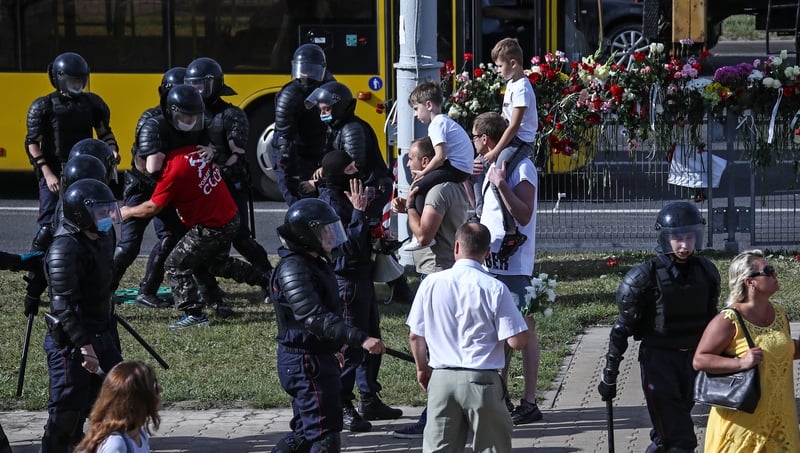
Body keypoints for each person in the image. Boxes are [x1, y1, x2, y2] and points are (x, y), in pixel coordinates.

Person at [121, 86, 269, 329]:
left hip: (211, 225)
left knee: (175, 265)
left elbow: (151, 208)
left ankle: (194, 315)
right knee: (218, 264)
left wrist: (126, 212)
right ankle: (269, 280)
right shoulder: (196, 152)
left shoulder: (173, 172)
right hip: (228, 217)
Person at [597, 201, 721, 452]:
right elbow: (621, 330)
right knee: (681, 439)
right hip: (659, 364)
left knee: (666, 437)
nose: (684, 245)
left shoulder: (706, 272)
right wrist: (610, 375)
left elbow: (713, 321)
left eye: (689, 237)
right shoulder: (643, 278)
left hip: (693, 364)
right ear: (665, 239)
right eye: (677, 238)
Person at [269, 198, 386, 452]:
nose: (331, 237)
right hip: (304, 363)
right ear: (305, 234)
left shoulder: (311, 262)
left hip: (314, 358)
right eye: (325, 231)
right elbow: (313, 317)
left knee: (306, 434)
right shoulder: (294, 269)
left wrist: (331, 347)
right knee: (324, 436)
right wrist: (361, 339)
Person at [407, 222, 529, 452]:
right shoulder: (495, 287)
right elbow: (517, 342)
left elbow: (415, 335)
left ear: (456, 248)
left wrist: (422, 369)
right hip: (482, 381)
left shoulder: (430, 283)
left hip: (442, 379)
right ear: (487, 253)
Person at [24, 52, 119, 314]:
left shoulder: (92, 104)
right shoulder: (44, 106)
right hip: (56, 171)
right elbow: (32, 142)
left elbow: (105, 133)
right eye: (72, 80)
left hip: (86, 171)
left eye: (81, 80)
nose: (77, 85)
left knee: (97, 223)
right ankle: (34, 280)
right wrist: (48, 173)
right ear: (58, 79)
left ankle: (95, 279)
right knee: (48, 227)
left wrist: (111, 150)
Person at [389, 135, 471, 439]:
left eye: (411, 158)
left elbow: (423, 236)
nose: (407, 163)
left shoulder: (435, 191)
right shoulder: (449, 185)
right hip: (444, 271)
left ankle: (432, 418)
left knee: (433, 347)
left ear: (426, 161)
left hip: (436, 273)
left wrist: (410, 205)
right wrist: (407, 211)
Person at [317, 152, 402, 432]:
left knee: (372, 338)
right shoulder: (330, 204)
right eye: (350, 168)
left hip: (362, 277)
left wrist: (378, 236)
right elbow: (345, 250)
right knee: (352, 343)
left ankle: (369, 397)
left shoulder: (349, 195)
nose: (357, 172)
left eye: (356, 165)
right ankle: (341, 402)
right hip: (345, 282)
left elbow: (361, 235)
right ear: (337, 174)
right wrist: (358, 211)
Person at [41, 178, 124, 453]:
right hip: (71, 344)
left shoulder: (103, 237)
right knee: (67, 413)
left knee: (119, 397)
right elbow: (64, 306)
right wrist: (85, 348)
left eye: (107, 210)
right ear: (81, 214)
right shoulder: (64, 249)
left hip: (100, 332)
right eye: (101, 212)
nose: (107, 217)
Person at [472, 111, 541, 424]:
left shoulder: (520, 167)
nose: (474, 145)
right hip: (493, 260)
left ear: (485, 139)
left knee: (523, 331)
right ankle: (502, 398)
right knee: (497, 333)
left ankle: (530, 401)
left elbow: (523, 214)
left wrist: (501, 184)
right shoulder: (491, 165)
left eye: (475, 139)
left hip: (515, 264)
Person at [693, 250, 800, 452]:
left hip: (780, 421)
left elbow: (784, 350)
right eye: (768, 271)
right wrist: (740, 363)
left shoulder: (779, 313)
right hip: (742, 427)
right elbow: (700, 360)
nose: (775, 274)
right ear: (749, 281)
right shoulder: (728, 320)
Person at [185, 57, 272, 276]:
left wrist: (218, 162)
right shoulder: (187, 115)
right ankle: (207, 287)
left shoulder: (232, 114)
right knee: (195, 237)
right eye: (192, 85)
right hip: (199, 185)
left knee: (241, 237)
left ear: (214, 85)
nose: (197, 90)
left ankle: (269, 276)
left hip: (229, 182)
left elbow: (237, 152)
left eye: (201, 85)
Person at [112, 67, 190, 310]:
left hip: (166, 187)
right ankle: (102, 291)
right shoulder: (151, 120)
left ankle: (147, 291)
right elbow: (143, 163)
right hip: (143, 186)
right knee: (128, 246)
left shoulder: (191, 120)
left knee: (172, 237)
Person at [473, 37, 538, 258]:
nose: (498, 70)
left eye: (500, 66)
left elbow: (514, 127)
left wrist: (494, 150)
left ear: (513, 63)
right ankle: (479, 213)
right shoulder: (511, 84)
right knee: (477, 168)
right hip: (509, 139)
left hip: (520, 142)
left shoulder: (521, 88)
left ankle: (511, 230)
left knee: (495, 179)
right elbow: (504, 118)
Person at [404, 81, 473, 251]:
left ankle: (422, 237)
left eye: (415, 109)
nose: (415, 115)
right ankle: (425, 235)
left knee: (419, 187)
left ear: (428, 105)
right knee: (424, 184)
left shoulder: (436, 124)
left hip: (457, 168)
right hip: (459, 167)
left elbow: (440, 157)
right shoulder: (444, 121)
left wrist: (423, 173)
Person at [272, 43, 334, 205]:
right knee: (298, 202)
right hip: (296, 155)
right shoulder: (290, 95)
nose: (307, 74)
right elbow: (285, 137)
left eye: (311, 69)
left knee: (327, 202)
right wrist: (291, 174)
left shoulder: (329, 87)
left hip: (319, 151)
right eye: (303, 68)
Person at [74, 360, 162, 453]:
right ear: (136, 398)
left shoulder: (140, 434)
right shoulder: (116, 444)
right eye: (154, 385)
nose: (160, 389)